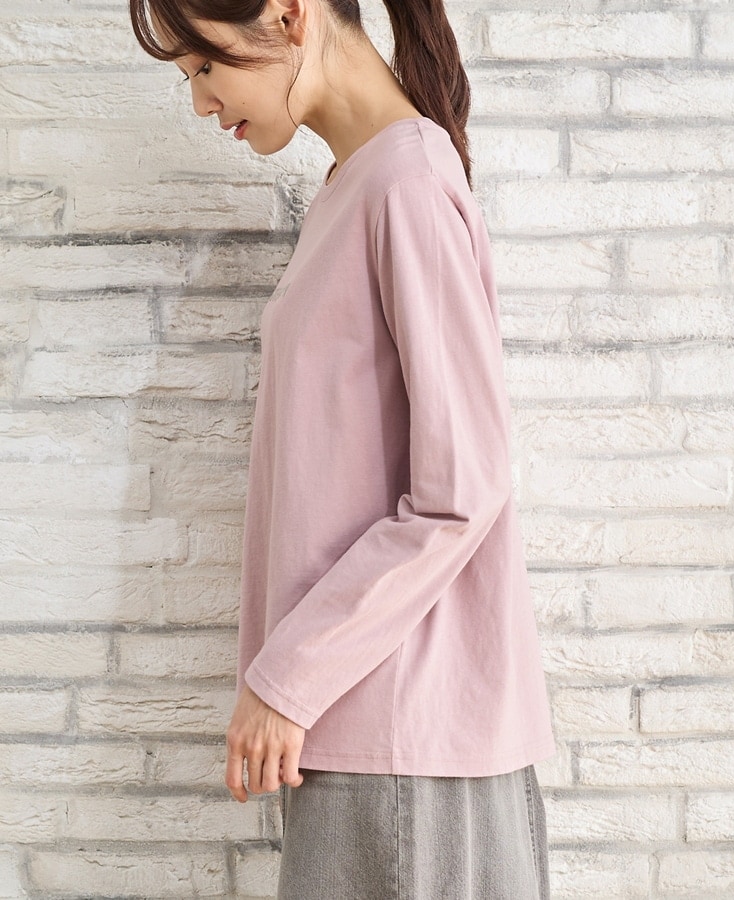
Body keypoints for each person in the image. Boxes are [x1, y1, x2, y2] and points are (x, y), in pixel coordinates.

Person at [130, 0, 557, 896]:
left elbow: (462, 488)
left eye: (205, 66)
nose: (201, 101)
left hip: (396, 741)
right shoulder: (361, 184)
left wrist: (286, 677)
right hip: (364, 730)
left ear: (289, 15)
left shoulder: (404, 183)